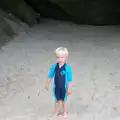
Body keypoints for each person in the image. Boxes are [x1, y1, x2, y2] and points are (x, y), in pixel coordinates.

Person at [45, 46, 72, 119]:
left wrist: (69, 88)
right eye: (58, 57)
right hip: (56, 87)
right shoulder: (54, 66)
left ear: (66, 58)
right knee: (57, 100)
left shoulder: (67, 68)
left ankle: (64, 112)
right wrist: (47, 84)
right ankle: (56, 112)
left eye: (62, 57)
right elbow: (50, 76)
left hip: (64, 87)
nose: (59, 59)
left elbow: (70, 80)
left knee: (64, 101)